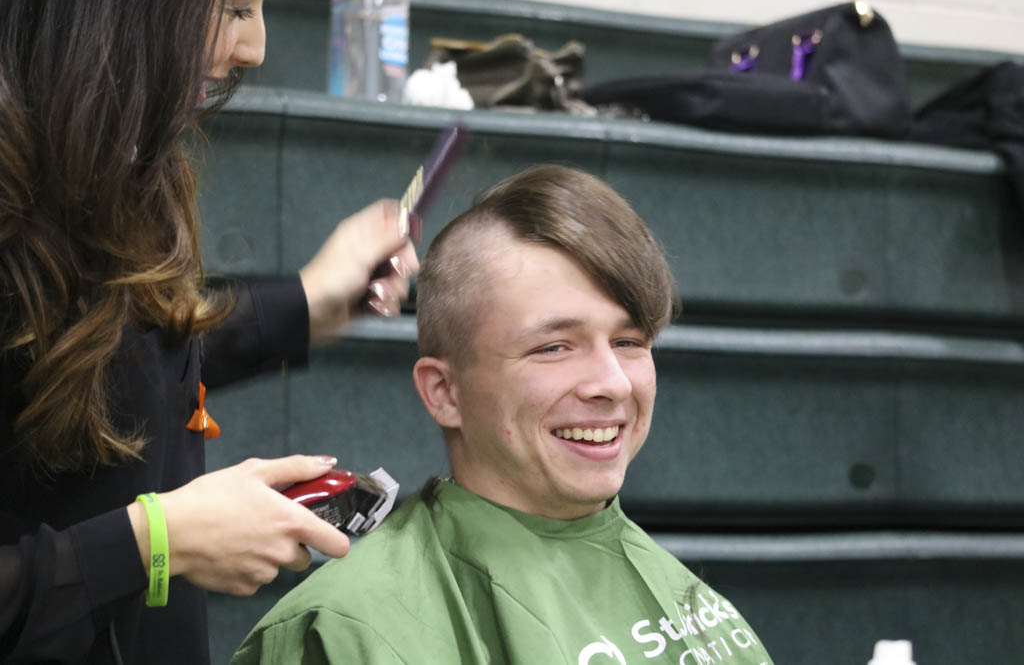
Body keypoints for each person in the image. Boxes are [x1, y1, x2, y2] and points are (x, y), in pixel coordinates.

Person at [0, 0, 418, 662]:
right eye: (233, 8)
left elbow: (103, 353)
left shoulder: (106, 163)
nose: (255, 48)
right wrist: (154, 541)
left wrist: (307, 303)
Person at [231, 165, 775, 665]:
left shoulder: (706, 612)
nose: (612, 383)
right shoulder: (343, 634)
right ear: (444, 392)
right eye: (554, 347)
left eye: (630, 341)